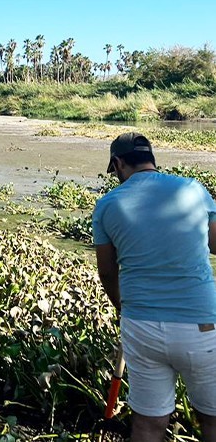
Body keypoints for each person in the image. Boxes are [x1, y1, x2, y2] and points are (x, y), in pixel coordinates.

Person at [92, 132, 216, 442]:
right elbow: (215, 244)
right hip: (200, 325)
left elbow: (107, 272)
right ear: (151, 160)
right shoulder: (192, 189)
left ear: (118, 163)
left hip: (141, 324)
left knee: (148, 424)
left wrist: (123, 307)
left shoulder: (107, 205)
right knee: (212, 419)